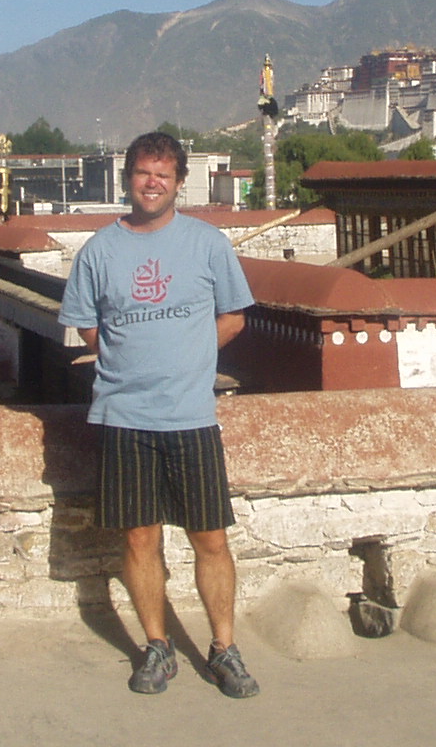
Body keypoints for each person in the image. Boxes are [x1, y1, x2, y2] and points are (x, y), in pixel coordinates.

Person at [59, 131, 260, 699]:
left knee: (210, 538)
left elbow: (234, 317)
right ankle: (157, 646)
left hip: (191, 415)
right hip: (124, 414)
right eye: (144, 173)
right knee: (140, 537)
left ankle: (224, 648)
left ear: (178, 183)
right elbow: (90, 328)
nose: (153, 183)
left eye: (163, 175)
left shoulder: (207, 244)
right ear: (129, 180)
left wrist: (187, 358)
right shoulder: (99, 251)